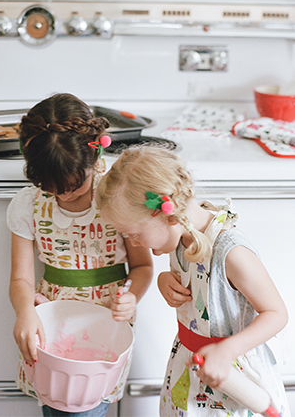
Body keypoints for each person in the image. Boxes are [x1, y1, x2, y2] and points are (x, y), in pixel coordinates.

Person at [95, 145, 290, 417]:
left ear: (168, 214)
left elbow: (276, 313)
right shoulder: (180, 239)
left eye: (134, 234)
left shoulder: (230, 252)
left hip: (232, 379)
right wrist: (164, 279)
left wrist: (226, 351)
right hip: (190, 372)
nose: (134, 243)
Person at [7, 93, 153, 417]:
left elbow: (142, 266)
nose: (64, 194)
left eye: (74, 185)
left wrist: (133, 296)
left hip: (106, 324)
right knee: (57, 401)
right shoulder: (28, 204)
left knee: (87, 406)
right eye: (52, 187)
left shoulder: (117, 195)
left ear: (95, 155)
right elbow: (20, 277)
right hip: (51, 324)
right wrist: (24, 312)